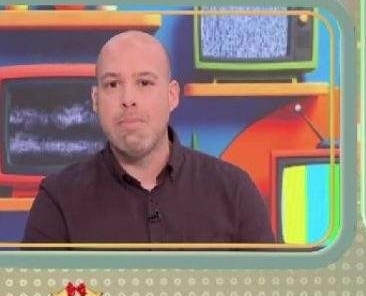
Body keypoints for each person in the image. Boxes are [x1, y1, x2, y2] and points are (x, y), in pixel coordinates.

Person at [23, 31, 275, 244]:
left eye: (144, 83)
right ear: (96, 100)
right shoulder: (57, 200)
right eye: (112, 84)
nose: (128, 99)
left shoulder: (235, 191)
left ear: (172, 96)